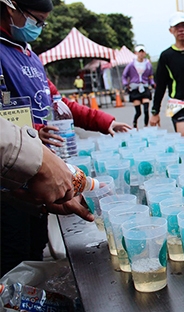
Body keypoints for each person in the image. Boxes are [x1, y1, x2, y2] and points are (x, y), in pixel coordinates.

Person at [0, 0, 127, 275]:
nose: (40, 28)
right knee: (12, 252)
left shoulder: (30, 56)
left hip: (36, 173)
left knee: (34, 249)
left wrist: (106, 121)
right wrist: (33, 129)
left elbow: (58, 103)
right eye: (36, 20)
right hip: (8, 177)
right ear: (11, 8)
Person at [122, 44, 155, 129]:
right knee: (138, 112)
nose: (141, 54)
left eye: (142, 52)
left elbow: (150, 76)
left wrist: (152, 83)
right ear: (136, 53)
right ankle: (135, 124)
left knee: (146, 109)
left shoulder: (148, 65)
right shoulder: (131, 65)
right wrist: (126, 84)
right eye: (139, 52)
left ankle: (146, 126)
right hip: (135, 88)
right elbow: (124, 75)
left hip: (144, 87)